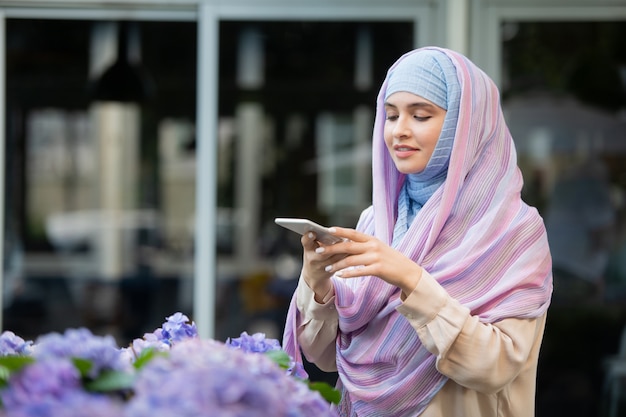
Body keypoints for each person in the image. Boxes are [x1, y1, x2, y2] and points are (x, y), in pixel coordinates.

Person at [282, 46, 553, 417]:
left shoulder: (514, 230)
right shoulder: (376, 221)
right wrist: (319, 286)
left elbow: (497, 366)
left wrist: (411, 278)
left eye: (420, 115)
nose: (399, 131)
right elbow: (328, 357)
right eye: (391, 116)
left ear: (466, 124)